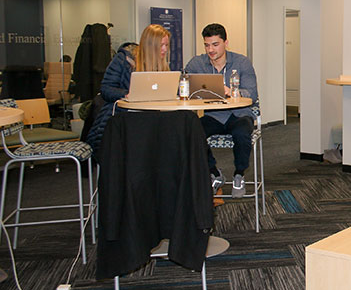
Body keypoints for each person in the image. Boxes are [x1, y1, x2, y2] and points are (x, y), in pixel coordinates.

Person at [185, 23, 258, 198]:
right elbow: (182, 83)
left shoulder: (241, 62)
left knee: (241, 134)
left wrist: (231, 91)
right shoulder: (197, 63)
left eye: (215, 44)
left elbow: (252, 94)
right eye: (207, 45)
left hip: (240, 114)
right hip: (214, 115)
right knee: (192, 132)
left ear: (226, 42)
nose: (211, 49)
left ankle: (239, 174)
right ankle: (214, 173)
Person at [86, 26, 169, 157]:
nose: (164, 49)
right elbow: (106, 89)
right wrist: (126, 95)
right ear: (149, 45)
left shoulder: (162, 67)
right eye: (161, 45)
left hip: (149, 119)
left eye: (166, 45)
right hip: (123, 117)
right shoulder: (123, 59)